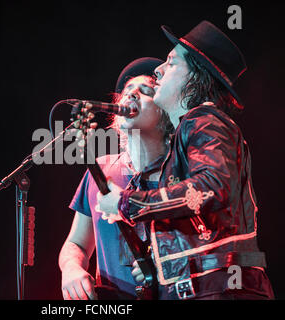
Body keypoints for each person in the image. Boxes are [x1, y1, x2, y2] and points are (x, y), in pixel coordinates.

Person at [97, 21, 275, 300]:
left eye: (171, 63)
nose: (159, 71)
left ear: (194, 78)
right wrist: (158, 264)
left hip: (220, 289)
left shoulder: (204, 120)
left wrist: (127, 202)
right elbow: (199, 225)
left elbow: (211, 188)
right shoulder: (191, 131)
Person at [58, 57, 173, 300]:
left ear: (165, 114)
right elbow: (76, 244)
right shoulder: (101, 169)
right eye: (127, 91)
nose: (131, 95)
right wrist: (71, 268)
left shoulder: (180, 174)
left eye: (145, 91)